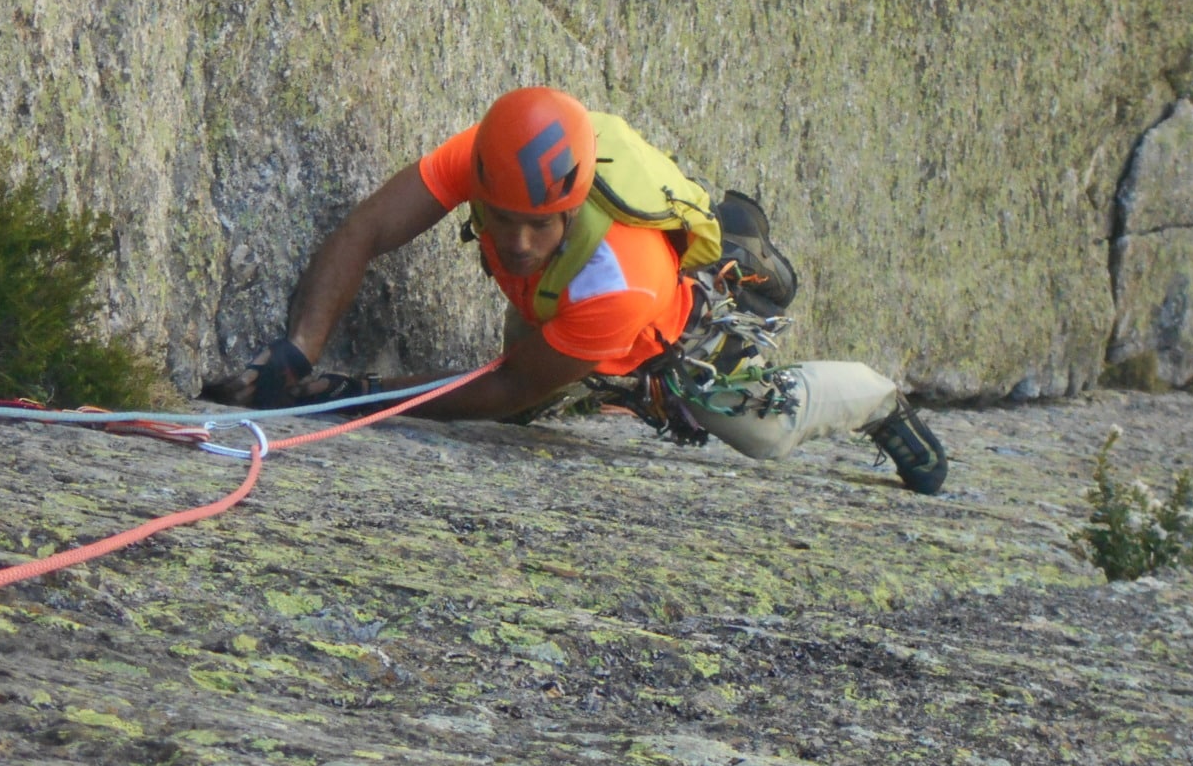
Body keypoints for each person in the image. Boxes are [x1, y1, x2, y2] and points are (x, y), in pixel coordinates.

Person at [201, 87, 947, 493]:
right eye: (501, 221)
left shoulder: (621, 279)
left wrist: (344, 393)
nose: (516, 242)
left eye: (539, 225)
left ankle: (877, 398)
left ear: (574, 201)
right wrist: (294, 354)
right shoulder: (494, 155)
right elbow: (366, 231)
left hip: (656, 340)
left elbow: (508, 385)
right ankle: (736, 239)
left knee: (767, 432)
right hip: (555, 312)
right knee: (530, 340)